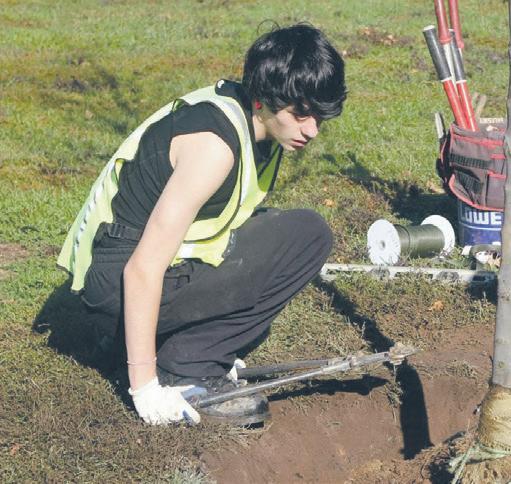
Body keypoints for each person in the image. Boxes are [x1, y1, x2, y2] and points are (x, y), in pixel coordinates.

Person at [57, 23, 347, 426]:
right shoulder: (214, 147)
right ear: (265, 97)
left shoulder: (257, 122)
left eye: (320, 117)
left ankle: (177, 347)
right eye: (301, 113)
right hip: (118, 290)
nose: (312, 130)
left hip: (125, 279)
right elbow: (142, 268)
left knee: (298, 234)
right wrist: (144, 388)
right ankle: (188, 366)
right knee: (306, 237)